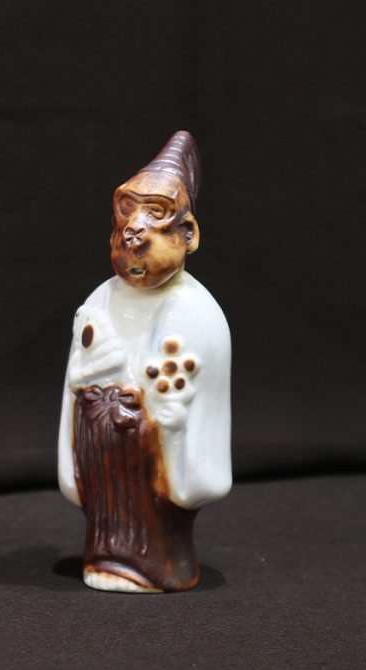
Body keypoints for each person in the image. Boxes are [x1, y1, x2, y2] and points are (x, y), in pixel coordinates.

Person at [58, 131, 231, 592]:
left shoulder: (196, 309)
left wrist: (169, 418)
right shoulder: (99, 299)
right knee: (107, 522)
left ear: (188, 235)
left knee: (156, 523)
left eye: (155, 214)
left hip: (151, 457)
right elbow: (75, 381)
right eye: (127, 213)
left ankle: (158, 566)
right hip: (100, 452)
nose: (135, 231)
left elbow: (199, 400)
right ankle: (104, 558)